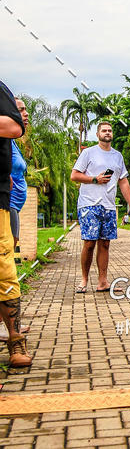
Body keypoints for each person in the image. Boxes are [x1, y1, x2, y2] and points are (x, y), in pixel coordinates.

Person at [71, 121, 130, 293]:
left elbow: (123, 181)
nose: (107, 133)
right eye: (104, 130)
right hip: (89, 204)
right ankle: (84, 280)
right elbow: (74, 175)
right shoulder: (88, 153)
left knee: (105, 244)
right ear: (98, 134)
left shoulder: (117, 156)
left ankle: (103, 282)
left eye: (110, 130)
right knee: (89, 243)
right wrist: (95, 179)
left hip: (108, 206)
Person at [0, 80, 31, 366]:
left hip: (3, 201)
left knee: (5, 267)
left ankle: (15, 339)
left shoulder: (1, 90)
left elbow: (13, 127)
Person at [10, 99, 29, 252]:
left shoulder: (12, 142)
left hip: (15, 205)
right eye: (21, 110)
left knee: (11, 244)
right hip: (7, 203)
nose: (26, 114)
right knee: (7, 246)